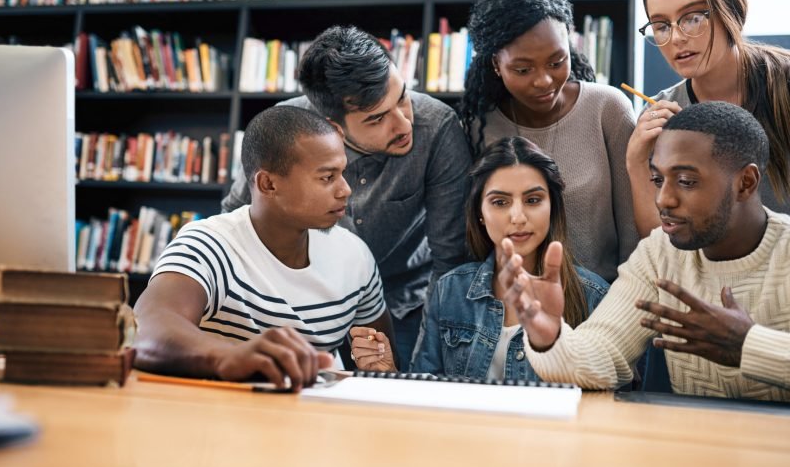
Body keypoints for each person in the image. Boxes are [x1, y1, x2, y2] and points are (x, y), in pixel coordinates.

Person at [500, 102, 790, 401]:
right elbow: (603, 353)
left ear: (746, 183)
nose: (663, 199)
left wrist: (748, 346)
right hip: (693, 443)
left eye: (686, 182)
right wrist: (550, 338)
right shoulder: (658, 254)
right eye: (657, 179)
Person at [222, 26, 472, 371]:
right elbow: (238, 219)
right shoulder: (286, 131)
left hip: (403, 303)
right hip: (302, 300)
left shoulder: (439, 128)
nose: (403, 124)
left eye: (402, 97)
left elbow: (450, 259)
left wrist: (425, 363)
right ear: (333, 127)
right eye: (377, 118)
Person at [134, 106, 394, 391]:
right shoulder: (209, 243)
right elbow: (148, 328)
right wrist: (229, 356)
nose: (345, 189)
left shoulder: (355, 256)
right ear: (268, 184)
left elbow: (379, 366)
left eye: (342, 173)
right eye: (327, 177)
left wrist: (384, 371)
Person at [350, 137, 608, 380]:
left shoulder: (594, 295)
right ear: (480, 213)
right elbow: (427, 390)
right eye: (500, 202)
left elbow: (611, 399)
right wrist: (388, 372)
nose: (518, 216)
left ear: (552, 207)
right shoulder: (451, 290)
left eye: (533, 200)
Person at [458, 0, 638, 284]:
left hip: (604, 305)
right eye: (523, 69)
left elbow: (634, 235)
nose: (543, 81)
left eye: (557, 61)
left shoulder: (607, 108)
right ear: (496, 64)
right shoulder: (480, 127)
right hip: (513, 303)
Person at [627, 0, 790, 237]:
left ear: (731, 9)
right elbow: (661, 247)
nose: (677, 38)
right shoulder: (661, 114)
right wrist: (637, 161)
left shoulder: (783, 85)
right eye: (661, 25)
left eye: (692, 18)